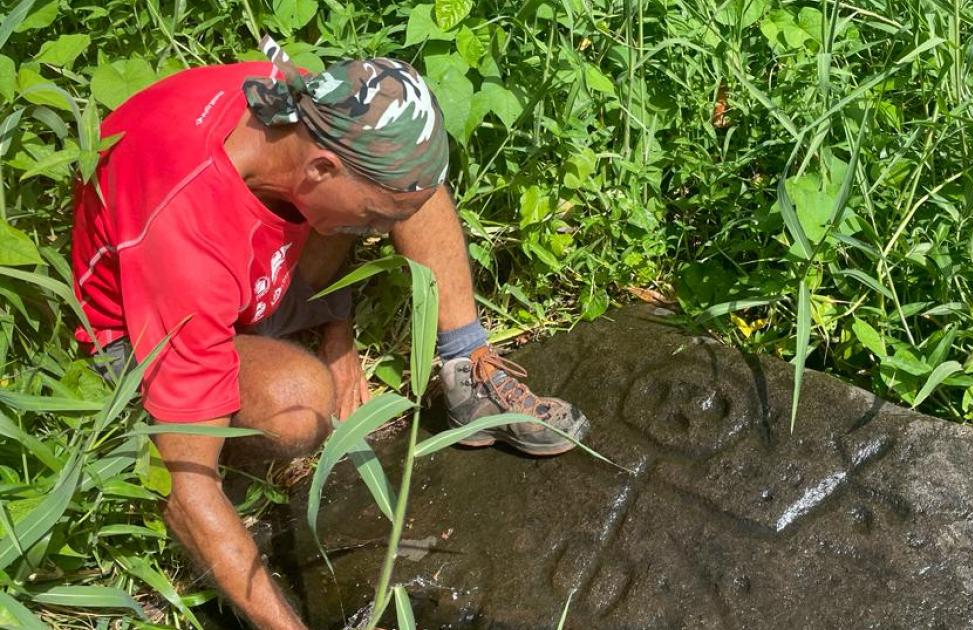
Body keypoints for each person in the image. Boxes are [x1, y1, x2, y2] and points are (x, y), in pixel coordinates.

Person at [70, 37, 589, 629]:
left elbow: (377, 191)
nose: (379, 234)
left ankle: (467, 368)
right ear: (319, 169)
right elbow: (185, 488)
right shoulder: (186, 229)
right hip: (152, 325)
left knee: (411, 178)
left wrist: (336, 334)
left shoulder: (319, 108)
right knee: (299, 407)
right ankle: (233, 460)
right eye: (370, 223)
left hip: (257, 268)